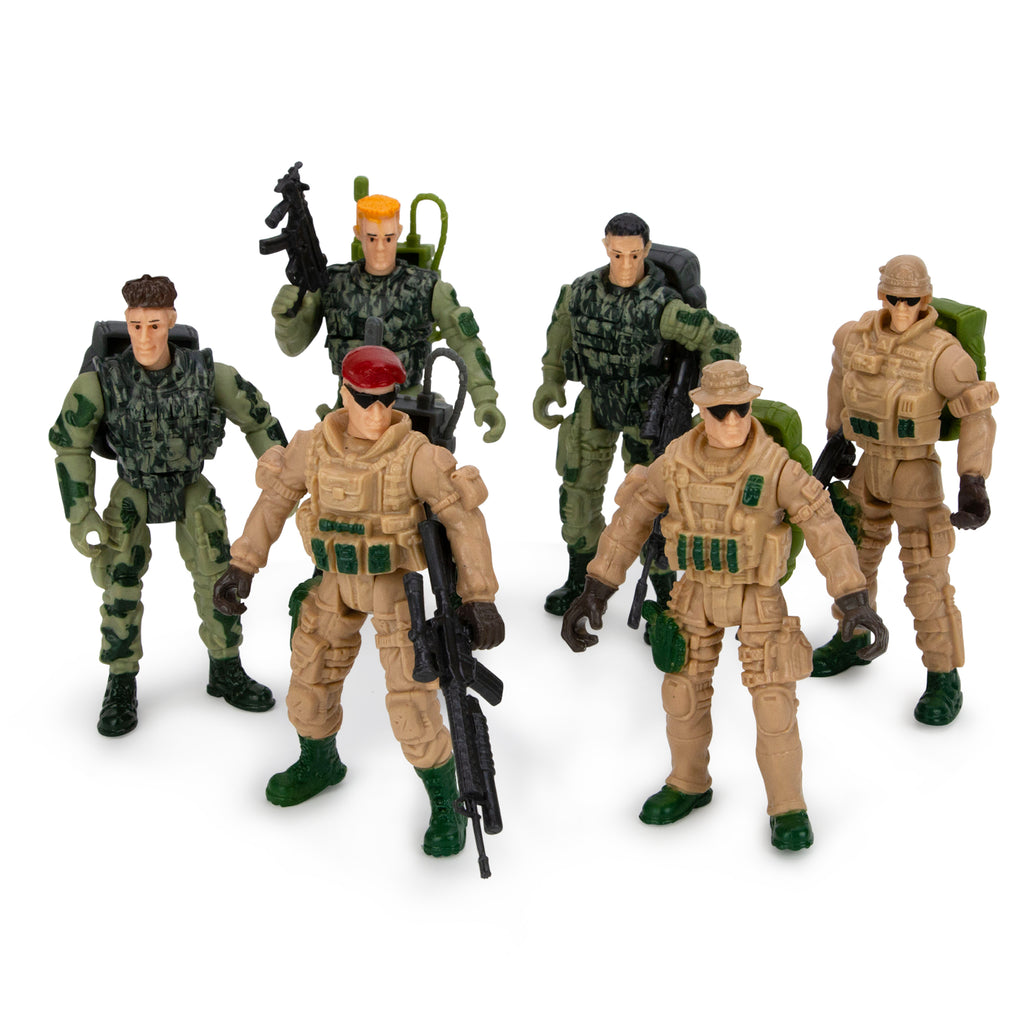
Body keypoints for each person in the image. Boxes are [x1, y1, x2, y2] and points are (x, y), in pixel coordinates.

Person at [562, 361, 887, 850]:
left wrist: (853, 598)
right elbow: (631, 519)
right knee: (681, 694)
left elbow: (824, 527)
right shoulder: (675, 462)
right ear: (702, 409)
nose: (732, 420)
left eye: (741, 408)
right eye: (720, 411)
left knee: (774, 705)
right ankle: (688, 782)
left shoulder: (775, 466)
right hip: (695, 592)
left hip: (757, 595)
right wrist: (597, 587)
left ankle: (788, 807)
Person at [214, 345, 504, 859]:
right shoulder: (313, 447)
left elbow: (463, 520)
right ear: (344, 394)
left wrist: (479, 597)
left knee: (412, 702)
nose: (376, 412)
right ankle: (319, 761)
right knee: (310, 680)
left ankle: (445, 801)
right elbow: (276, 499)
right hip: (334, 582)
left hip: (395, 589)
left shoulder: (416, 455)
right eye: (365, 400)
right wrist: (243, 565)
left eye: (386, 400)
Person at [50, 274, 285, 736]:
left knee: (219, 575)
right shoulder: (101, 380)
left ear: (171, 321)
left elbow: (259, 422)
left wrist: (280, 477)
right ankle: (121, 680)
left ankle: (225, 667)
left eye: (155, 326)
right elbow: (69, 444)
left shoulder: (209, 374)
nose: (144, 338)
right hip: (133, 487)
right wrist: (81, 513)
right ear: (126, 322)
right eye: (135, 326)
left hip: (190, 485)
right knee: (120, 582)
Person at [812, 255, 998, 725]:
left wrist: (973, 479)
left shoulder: (943, 354)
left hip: (916, 473)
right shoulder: (853, 337)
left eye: (910, 300)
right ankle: (854, 636)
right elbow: (837, 378)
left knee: (926, 577)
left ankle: (943, 676)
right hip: (868, 465)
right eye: (893, 298)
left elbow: (977, 412)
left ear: (925, 299)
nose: (900, 307)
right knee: (852, 562)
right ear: (882, 295)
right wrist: (836, 435)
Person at [533, 212, 741, 615]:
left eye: (633, 255)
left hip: (648, 412)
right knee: (576, 495)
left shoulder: (663, 306)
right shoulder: (580, 292)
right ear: (605, 248)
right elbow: (560, 332)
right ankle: (580, 580)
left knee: (656, 505)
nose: (625, 265)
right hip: (596, 402)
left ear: (645, 250)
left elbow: (722, 339)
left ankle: (665, 595)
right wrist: (551, 380)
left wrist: (712, 402)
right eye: (617, 255)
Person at [272, 191, 505, 439]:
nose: (380, 248)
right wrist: (287, 319)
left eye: (388, 238)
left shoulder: (426, 287)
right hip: (349, 410)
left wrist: (485, 399)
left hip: (406, 409)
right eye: (372, 238)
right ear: (358, 233)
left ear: (399, 233)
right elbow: (292, 346)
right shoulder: (333, 284)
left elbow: (466, 342)